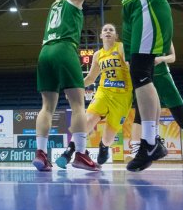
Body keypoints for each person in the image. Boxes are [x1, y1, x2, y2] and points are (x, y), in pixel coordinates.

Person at [64, 0, 173, 172]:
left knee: (141, 71)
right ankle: (152, 141)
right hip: (131, 8)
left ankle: (150, 141)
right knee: (140, 73)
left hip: (147, 1)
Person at [32, 0, 111, 172]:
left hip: (44, 52)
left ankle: (40, 153)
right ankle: (81, 155)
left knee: (47, 107)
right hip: (64, 49)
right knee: (77, 105)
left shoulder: (55, 4)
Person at [56, 23, 132, 168]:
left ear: (116, 36)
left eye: (111, 30)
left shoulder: (121, 47)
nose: (108, 31)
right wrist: (75, 88)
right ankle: (69, 152)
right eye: (105, 30)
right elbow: (91, 78)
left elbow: (130, 65)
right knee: (88, 120)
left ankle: (104, 146)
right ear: (101, 35)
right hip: (104, 92)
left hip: (123, 96)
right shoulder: (98, 55)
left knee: (109, 136)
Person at [129, 43, 183, 168]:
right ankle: (135, 151)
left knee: (182, 119)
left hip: (164, 78)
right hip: (146, 78)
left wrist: (161, 59)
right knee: (139, 117)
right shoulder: (139, 36)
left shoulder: (165, 36)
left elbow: (173, 57)